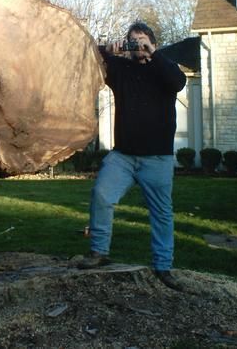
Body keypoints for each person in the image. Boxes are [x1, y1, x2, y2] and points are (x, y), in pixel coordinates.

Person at [77, 22, 187, 291]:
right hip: (123, 157)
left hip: (157, 159)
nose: (137, 44)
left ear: (152, 43)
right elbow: (89, 59)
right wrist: (107, 50)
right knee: (102, 194)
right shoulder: (121, 69)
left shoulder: (164, 69)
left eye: (142, 40)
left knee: (161, 214)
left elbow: (179, 82)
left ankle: (163, 267)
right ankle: (99, 253)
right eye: (132, 40)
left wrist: (153, 53)